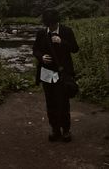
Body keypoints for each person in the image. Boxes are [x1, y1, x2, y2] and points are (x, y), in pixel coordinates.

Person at [33, 8, 79, 142]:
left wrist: (62, 42)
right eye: (48, 25)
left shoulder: (66, 31)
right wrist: (41, 57)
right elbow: (35, 49)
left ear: (57, 22)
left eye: (53, 25)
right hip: (47, 74)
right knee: (51, 103)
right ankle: (55, 129)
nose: (51, 28)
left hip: (63, 73)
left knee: (63, 103)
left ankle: (66, 130)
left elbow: (75, 49)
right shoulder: (41, 33)